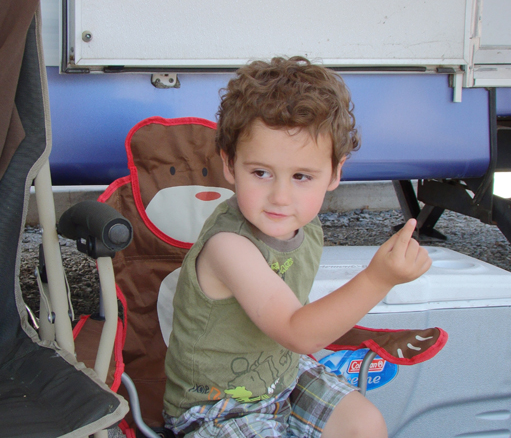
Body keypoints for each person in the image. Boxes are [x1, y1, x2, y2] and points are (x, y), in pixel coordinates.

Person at [163, 56, 432, 437]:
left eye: (302, 176)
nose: (280, 197)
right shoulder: (229, 247)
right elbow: (297, 331)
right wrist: (379, 279)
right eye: (261, 173)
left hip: (282, 372)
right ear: (230, 164)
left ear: (335, 173)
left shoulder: (306, 226)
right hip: (217, 405)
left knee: (364, 424)